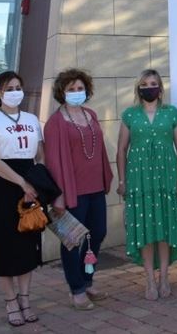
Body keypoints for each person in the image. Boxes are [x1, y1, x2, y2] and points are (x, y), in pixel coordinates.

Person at [116, 69, 177, 300]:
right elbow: (121, 150)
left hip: (167, 178)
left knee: (165, 228)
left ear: (160, 89)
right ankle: (149, 279)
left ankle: (165, 277)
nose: (150, 87)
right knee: (146, 229)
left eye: (154, 83)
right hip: (139, 180)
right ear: (139, 88)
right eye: (145, 83)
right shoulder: (130, 115)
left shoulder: (172, 113)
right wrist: (122, 180)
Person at [45, 68, 113, 310]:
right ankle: (76, 290)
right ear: (62, 92)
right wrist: (58, 197)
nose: (76, 92)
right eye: (71, 89)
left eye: (80, 88)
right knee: (73, 241)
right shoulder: (55, 123)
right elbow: (52, 163)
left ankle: (88, 279)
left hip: (95, 188)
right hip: (72, 192)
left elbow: (100, 150)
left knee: (98, 234)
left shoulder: (91, 114)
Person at [0, 71, 44, 326]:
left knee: (28, 243)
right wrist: (22, 182)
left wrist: (37, 183)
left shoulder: (31, 119)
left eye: (19, 86)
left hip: (30, 184)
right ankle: (10, 301)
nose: (15, 91)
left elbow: (40, 153)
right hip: (5, 187)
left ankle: (25, 299)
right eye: (9, 88)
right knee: (5, 244)